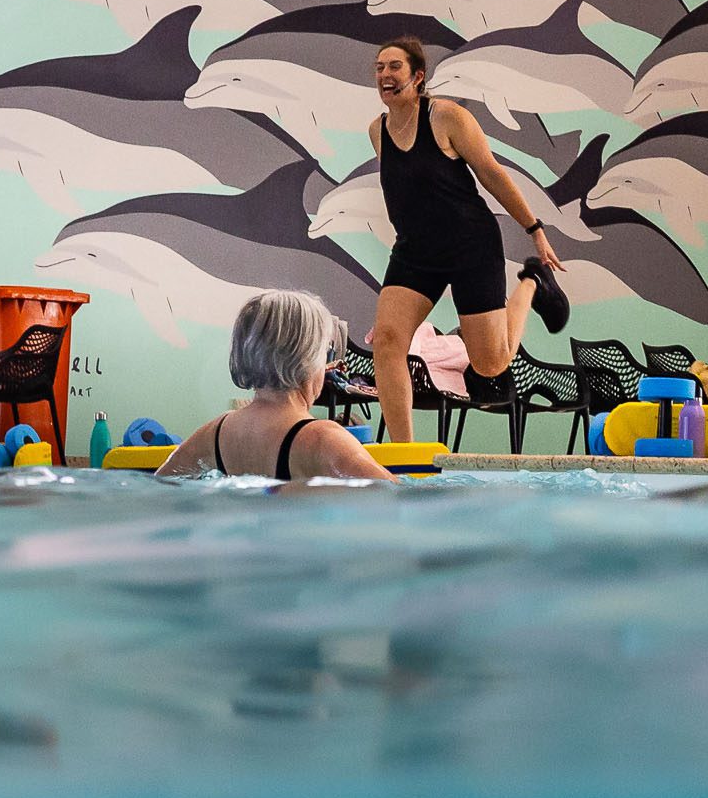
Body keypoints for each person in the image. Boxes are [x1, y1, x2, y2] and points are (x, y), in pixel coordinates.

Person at [369, 37, 569, 445]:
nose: (384, 75)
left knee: (491, 363)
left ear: (418, 75)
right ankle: (405, 456)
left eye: (394, 67)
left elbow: (492, 174)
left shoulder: (447, 117)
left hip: (469, 244)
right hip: (415, 251)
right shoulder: (379, 131)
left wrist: (535, 230)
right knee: (388, 341)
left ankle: (532, 282)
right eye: (379, 68)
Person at [157, 290, 391, 483]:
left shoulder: (216, 432)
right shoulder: (322, 439)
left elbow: (162, 484)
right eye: (325, 354)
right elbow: (397, 499)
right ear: (308, 359)